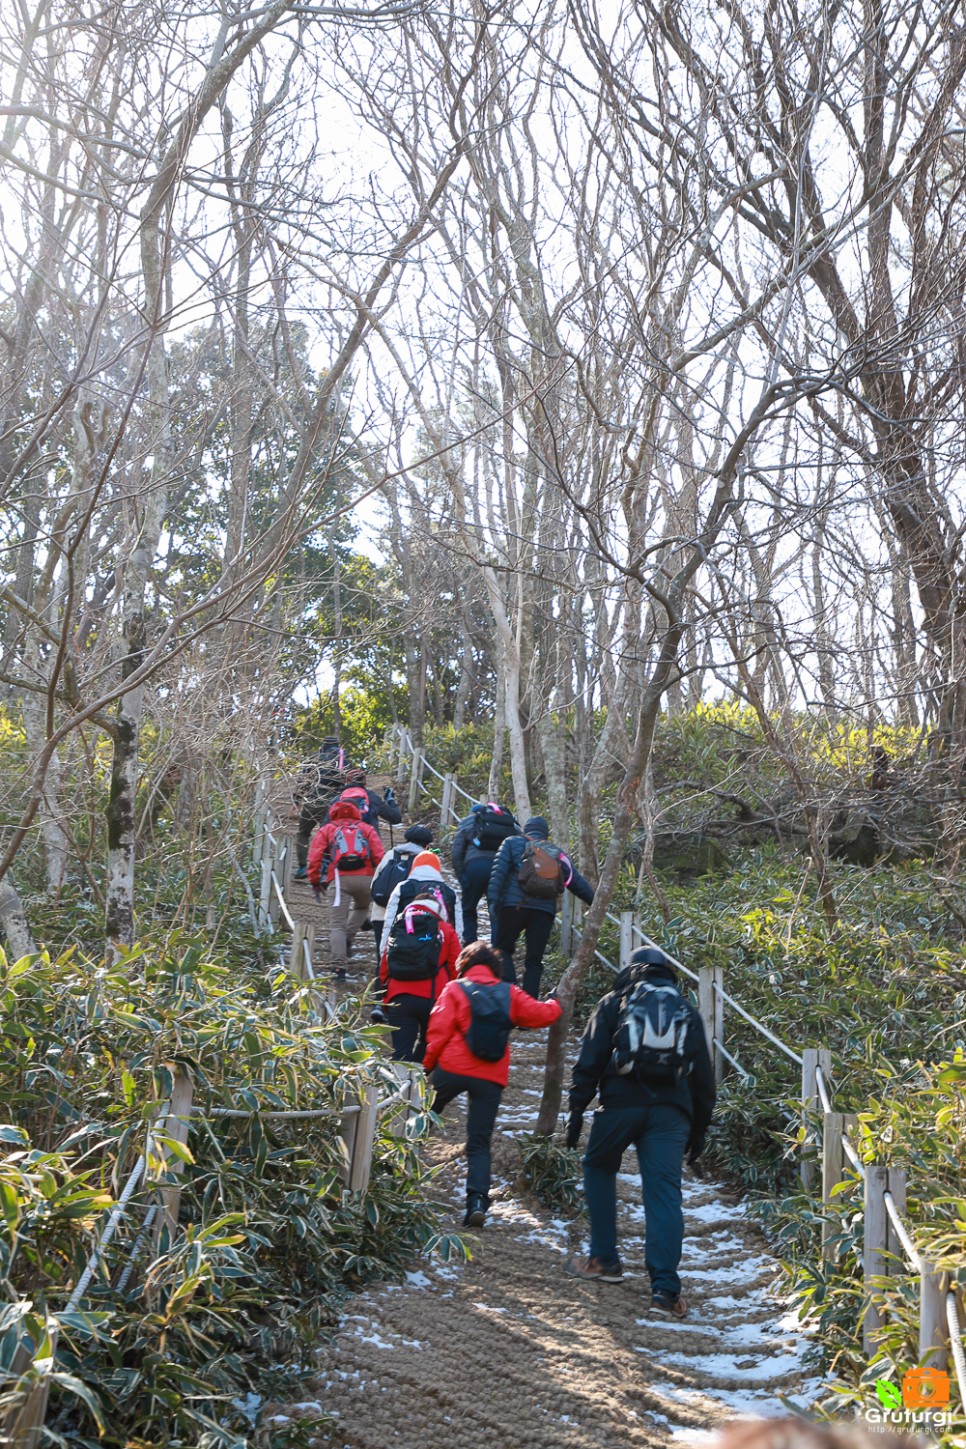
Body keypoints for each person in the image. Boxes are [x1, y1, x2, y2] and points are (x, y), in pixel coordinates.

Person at [565, 946, 715, 1318]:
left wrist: (577, 1110)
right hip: (671, 1114)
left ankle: (603, 1260)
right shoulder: (685, 1010)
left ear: (630, 970)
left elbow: (590, 1059)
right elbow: (704, 1079)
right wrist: (698, 1131)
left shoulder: (614, 1002)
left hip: (619, 1105)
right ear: (667, 973)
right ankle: (664, 1292)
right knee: (663, 1194)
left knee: (599, 1167)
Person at [423, 942, 563, 1227]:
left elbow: (438, 1030)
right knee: (479, 1142)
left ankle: (395, 1174)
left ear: (464, 963)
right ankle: (477, 1201)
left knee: (419, 1121)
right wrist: (555, 1001)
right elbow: (542, 1015)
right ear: (495, 967)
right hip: (490, 1075)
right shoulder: (509, 993)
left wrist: (427, 1066)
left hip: (451, 1068)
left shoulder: (454, 988)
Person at [487, 816, 594, 997]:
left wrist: (493, 901)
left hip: (513, 907)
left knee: (502, 949)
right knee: (534, 961)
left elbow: (498, 873)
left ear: (525, 830)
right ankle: (528, 1008)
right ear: (546, 833)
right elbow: (575, 881)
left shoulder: (512, 843)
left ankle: (511, 993)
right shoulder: (556, 853)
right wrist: (596, 903)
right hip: (543, 911)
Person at [307, 799, 385, 981]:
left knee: (337, 925)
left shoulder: (327, 829)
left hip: (339, 880)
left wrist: (315, 881)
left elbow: (315, 856)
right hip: (366, 877)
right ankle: (348, 938)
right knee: (361, 909)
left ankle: (338, 968)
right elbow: (379, 855)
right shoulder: (366, 828)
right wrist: (378, 878)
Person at [379, 891, 461, 1061]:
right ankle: (417, 1080)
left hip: (399, 997)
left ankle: (402, 1082)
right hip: (434, 998)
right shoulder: (446, 929)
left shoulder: (400, 925)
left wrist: (383, 991)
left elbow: (386, 963)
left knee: (401, 1052)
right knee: (428, 1045)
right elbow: (456, 968)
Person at [451, 801, 520, 945]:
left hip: (474, 868)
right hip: (499, 869)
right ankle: (497, 948)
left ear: (472, 813)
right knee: (495, 910)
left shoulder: (468, 822)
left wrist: (462, 876)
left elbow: (456, 852)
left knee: (469, 908)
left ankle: (470, 944)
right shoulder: (506, 823)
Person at [368, 824, 434, 958]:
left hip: (381, 914)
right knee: (404, 959)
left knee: (382, 959)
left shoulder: (391, 854)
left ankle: (379, 978)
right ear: (427, 845)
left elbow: (374, 885)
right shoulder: (426, 860)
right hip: (409, 919)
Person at [380, 850, 464, 950]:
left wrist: (383, 954)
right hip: (438, 951)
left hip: (406, 951)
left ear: (414, 867)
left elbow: (389, 924)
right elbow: (458, 930)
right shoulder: (449, 892)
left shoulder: (403, 888)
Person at [293, 738, 345, 879]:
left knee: (303, 833)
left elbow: (303, 780)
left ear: (322, 746)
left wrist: (296, 799)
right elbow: (349, 780)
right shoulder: (342, 760)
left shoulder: (314, 759)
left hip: (312, 801)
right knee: (327, 836)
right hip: (331, 805)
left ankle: (302, 867)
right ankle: (324, 869)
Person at [337, 769, 402, 832]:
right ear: (364, 781)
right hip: (369, 840)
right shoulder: (372, 798)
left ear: (347, 781)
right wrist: (390, 799)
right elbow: (396, 818)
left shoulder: (337, 800)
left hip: (340, 840)